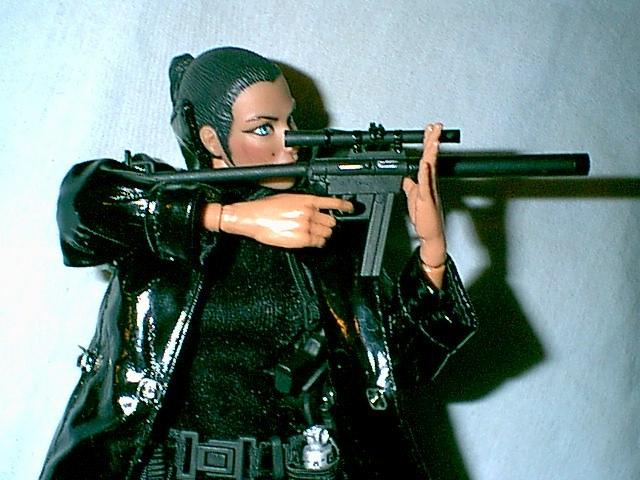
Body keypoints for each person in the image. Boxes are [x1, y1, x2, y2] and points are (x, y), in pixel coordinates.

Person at [40, 47, 477, 480]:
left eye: (291, 122)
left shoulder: (319, 228)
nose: (289, 143)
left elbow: (395, 369)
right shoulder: (159, 222)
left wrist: (432, 251)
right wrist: (228, 218)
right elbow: (81, 204)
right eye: (263, 128)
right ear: (212, 139)